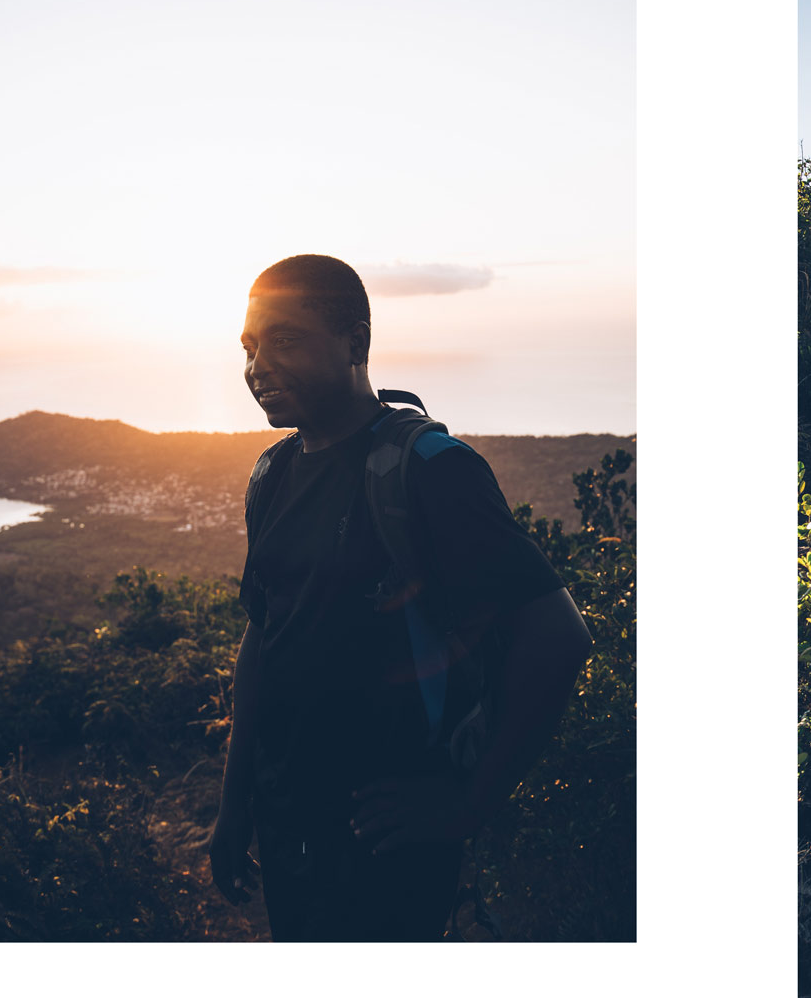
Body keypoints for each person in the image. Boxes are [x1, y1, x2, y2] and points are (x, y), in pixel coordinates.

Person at [208, 254, 593, 941]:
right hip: (290, 825)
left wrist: (467, 807)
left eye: (285, 340)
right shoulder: (272, 475)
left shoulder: (429, 472)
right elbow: (262, 636)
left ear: (355, 344)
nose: (257, 365)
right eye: (249, 346)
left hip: (388, 847)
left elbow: (558, 636)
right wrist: (236, 802)